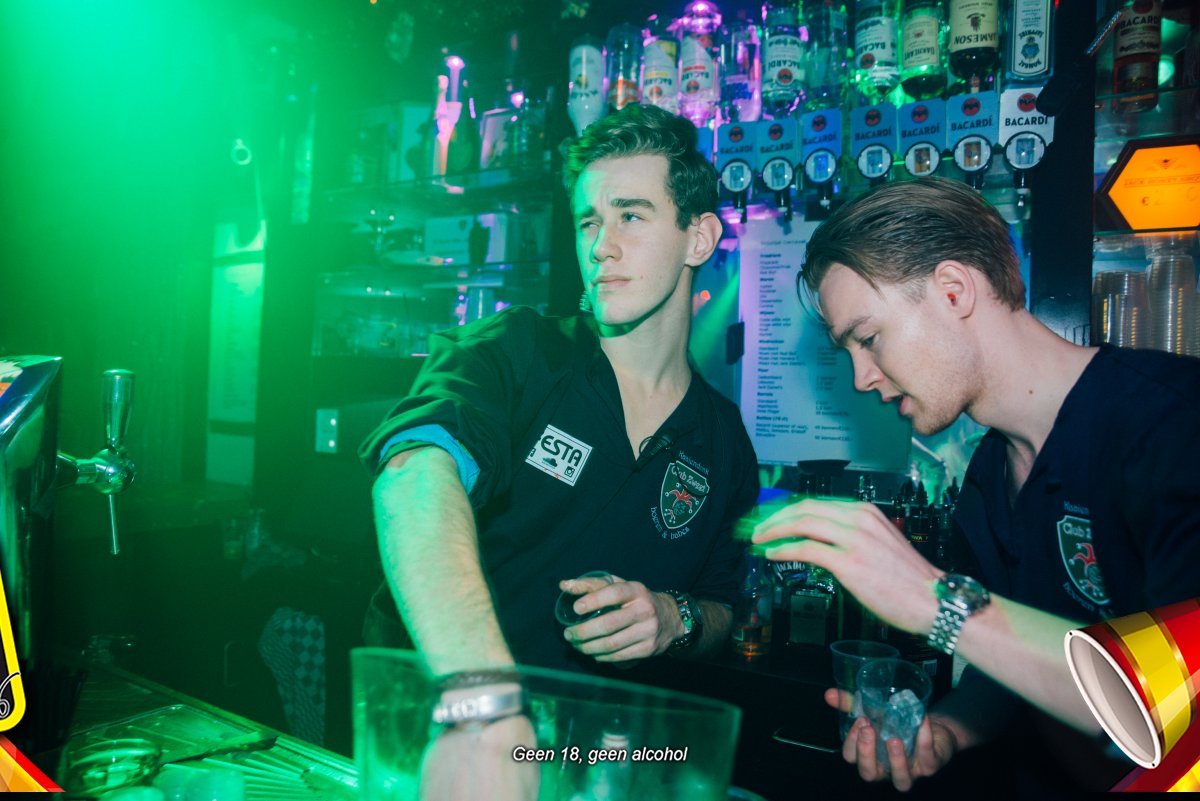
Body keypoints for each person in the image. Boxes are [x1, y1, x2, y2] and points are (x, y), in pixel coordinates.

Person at [752, 178, 1200, 792]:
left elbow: (1178, 705)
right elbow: (1012, 666)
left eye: (869, 338)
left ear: (953, 290)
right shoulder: (991, 474)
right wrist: (949, 728)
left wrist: (933, 601)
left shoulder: (1175, 425)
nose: (860, 377)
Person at [360, 98, 757, 708]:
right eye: (588, 222)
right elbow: (414, 478)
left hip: (600, 746)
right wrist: (486, 701)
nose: (601, 247)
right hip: (443, 721)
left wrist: (672, 619)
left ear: (698, 238)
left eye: (631, 216)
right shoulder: (515, 352)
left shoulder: (723, 439)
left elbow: (723, 608)